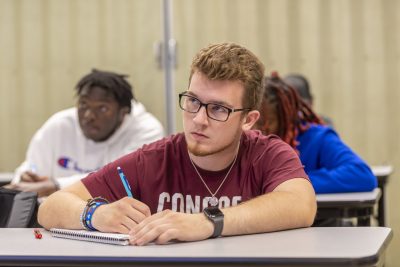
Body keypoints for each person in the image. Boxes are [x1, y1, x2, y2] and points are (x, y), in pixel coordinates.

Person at [38, 43, 316, 246]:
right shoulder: (153, 160)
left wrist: (207, 221)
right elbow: (51, 207)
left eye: (218, 109)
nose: (199, 120)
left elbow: (301, 204)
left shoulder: (267, 154)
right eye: (193, 101)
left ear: (248, 120)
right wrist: (96, 214)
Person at [8, 69, 164, 197]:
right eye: (83, 104)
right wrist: (26, 176)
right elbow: (32, 166)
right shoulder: (60, 124)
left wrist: (56, 186)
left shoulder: (147, 131)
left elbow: (120, 180)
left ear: (123, 113)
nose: (89, 116)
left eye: (102, 108)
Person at [255, 72, 377, 194]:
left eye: (264, 123)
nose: (254, 129)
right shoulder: (245, 143)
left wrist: (292, 183)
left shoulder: (316, 137)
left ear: (286, 118)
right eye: (249, 119)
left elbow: (361, 175)